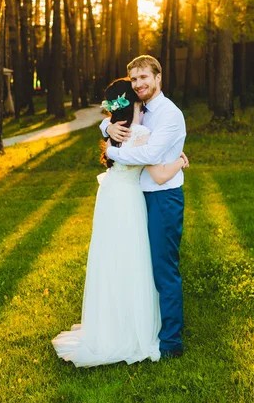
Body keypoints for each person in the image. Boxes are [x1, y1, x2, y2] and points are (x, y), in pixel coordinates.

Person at [52, 78, 187, 367]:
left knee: (111, 259)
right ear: (134, 102)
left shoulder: (115, 129)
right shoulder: (139, 132)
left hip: (110, 195)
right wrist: (180, 163)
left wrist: (108, 132)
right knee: (132, 260)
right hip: (127, 200)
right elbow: (160, 173)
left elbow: (110, 133)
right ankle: (131, 328)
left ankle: (111, 324)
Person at [102, 55, 187, 359]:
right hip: (139, 196)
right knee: (143, 266)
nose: (138, 84)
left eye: (143, 77)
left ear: (158, 77)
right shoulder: (142, 108)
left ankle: (171, 344)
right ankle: (149, 327)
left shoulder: (169, 114)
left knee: (164, 269)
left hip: (163, 197)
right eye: (134, 79)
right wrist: (105, 128)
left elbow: (147, 153)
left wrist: (111, 150)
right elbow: (114, 117)